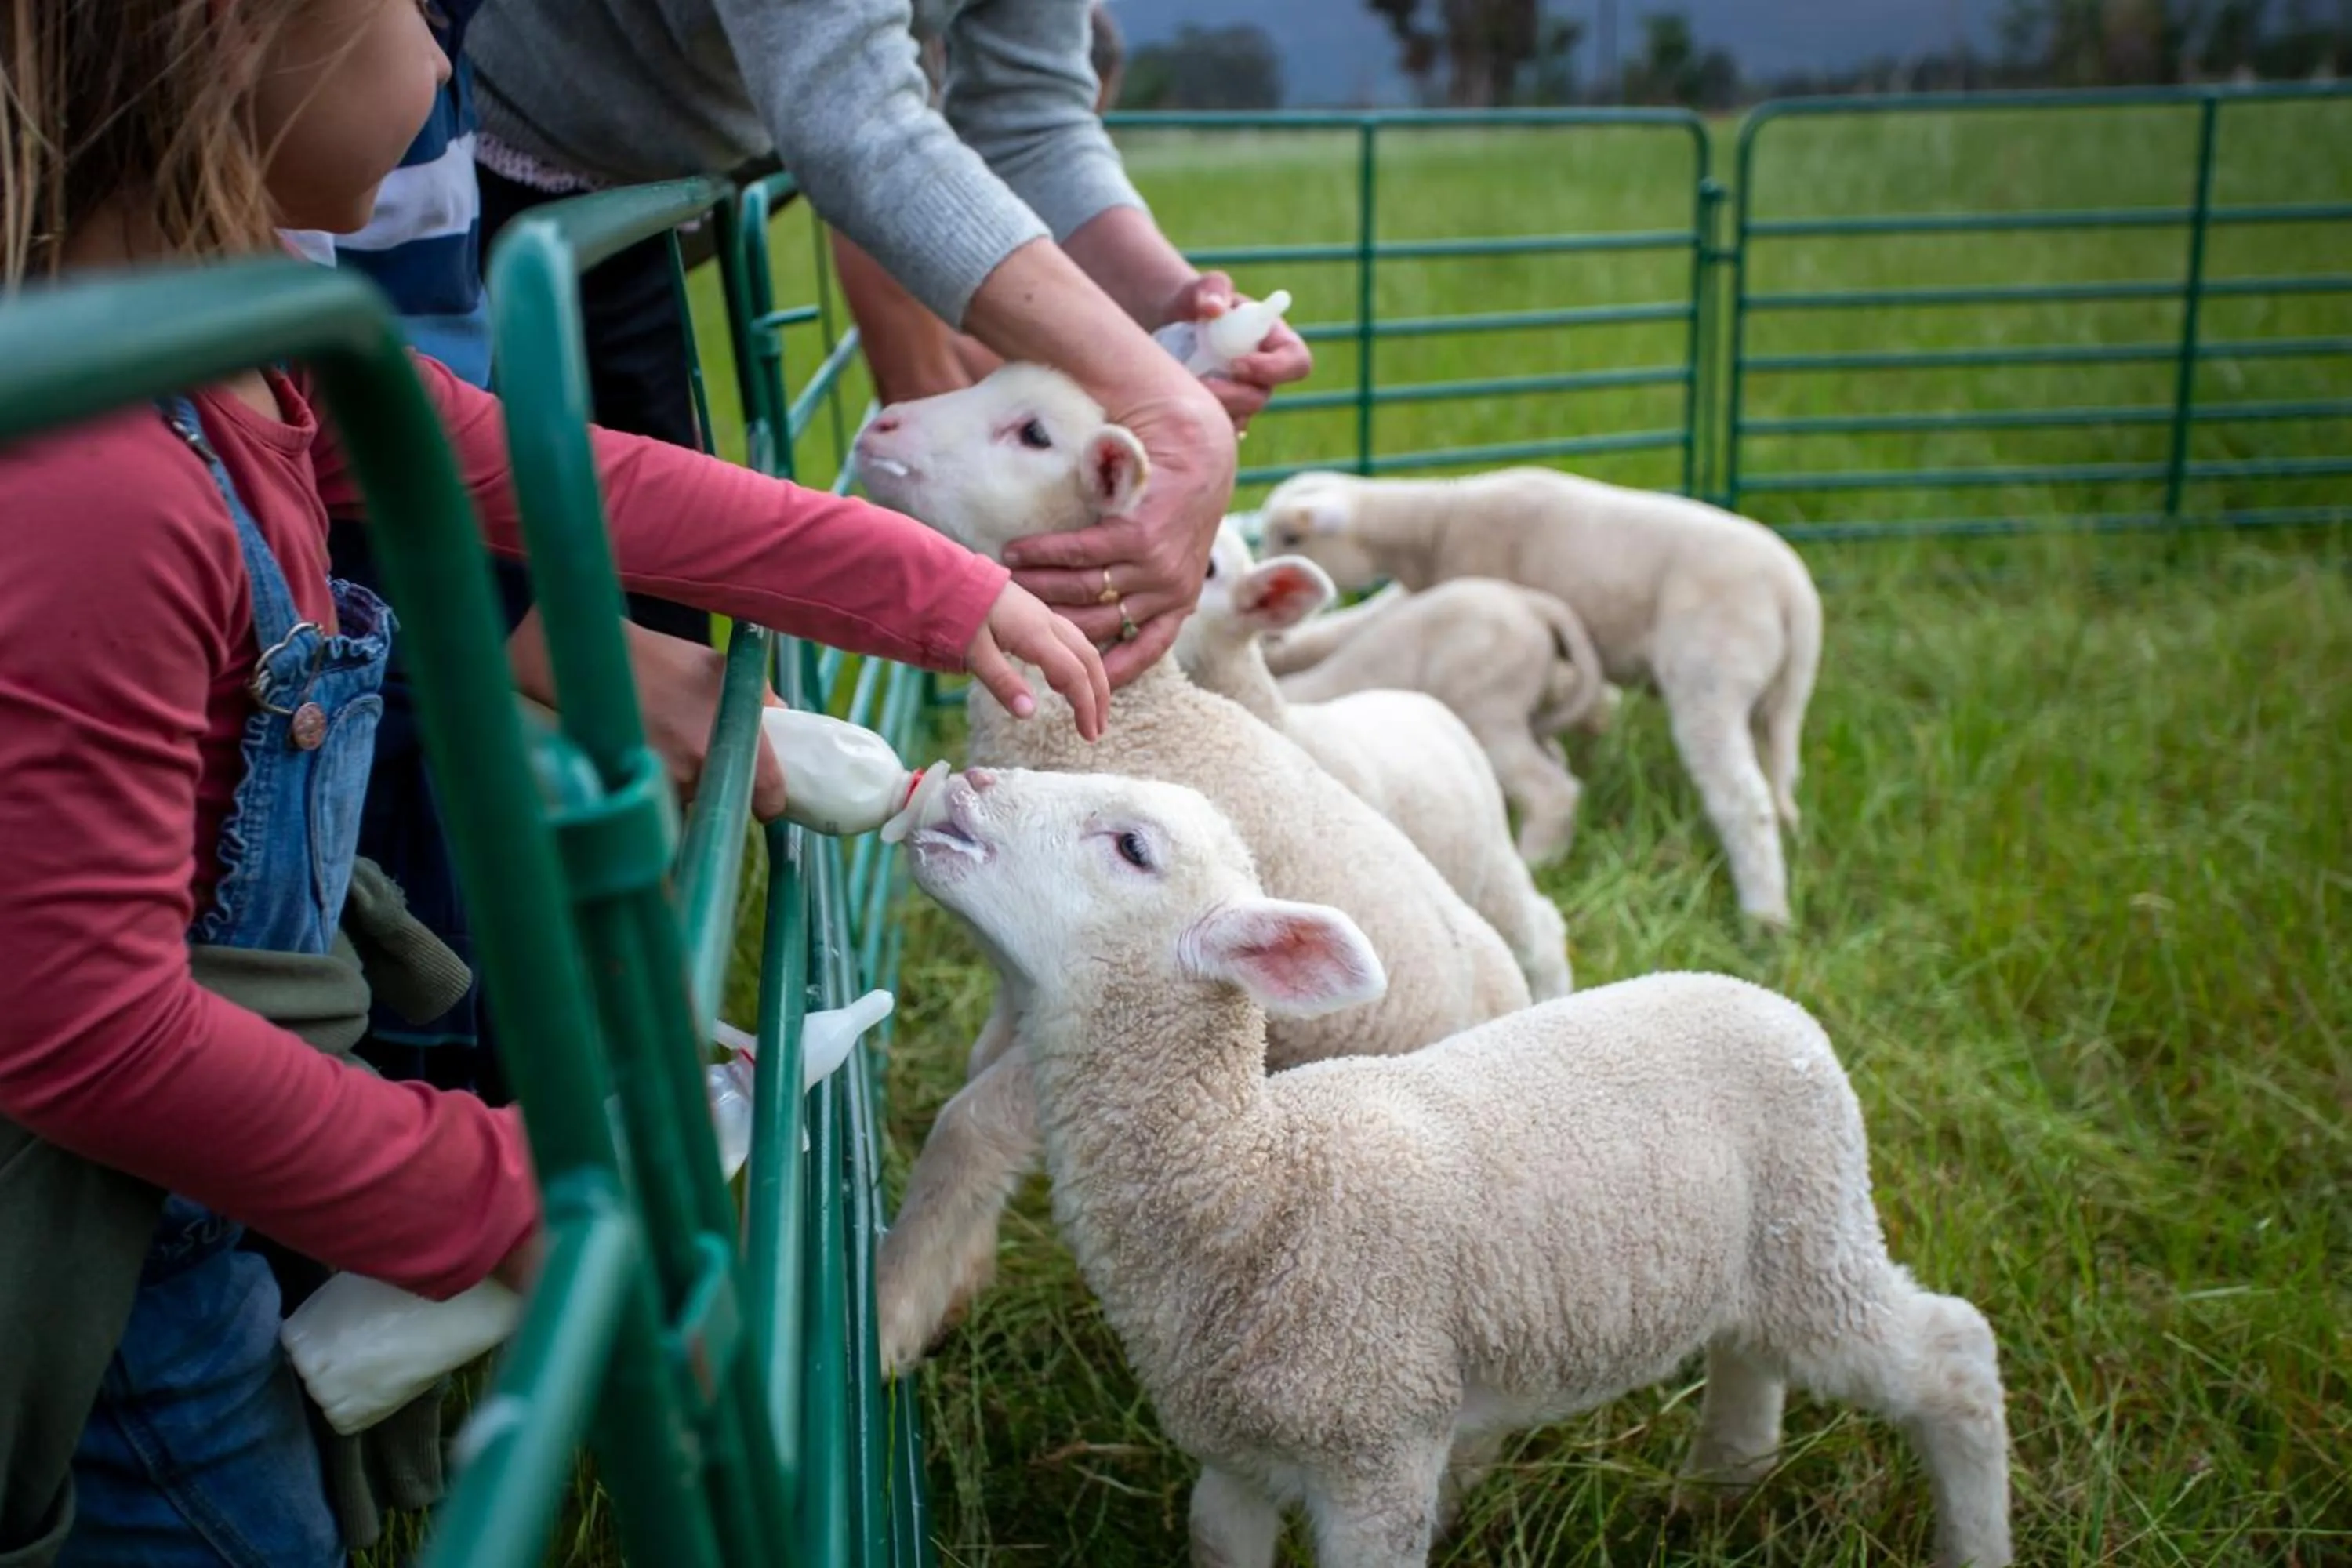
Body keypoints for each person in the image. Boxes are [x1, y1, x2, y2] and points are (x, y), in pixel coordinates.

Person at [0, 3, 1109, 1562]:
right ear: (238, 34)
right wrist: (519, 1188)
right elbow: (91, 1036)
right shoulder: (107, 484)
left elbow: (561, 474)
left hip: (189, 1204)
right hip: (100, 1272)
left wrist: (925, 584)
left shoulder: (257, 349)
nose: (444, 48)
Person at [464, 0, 1314, 684]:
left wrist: (1170, 299)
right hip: (468, 178)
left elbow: (1032, 116)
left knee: (636, 596)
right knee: (466, 581)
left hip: (636, 210)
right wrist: (1163, 395)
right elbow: (851, 114)